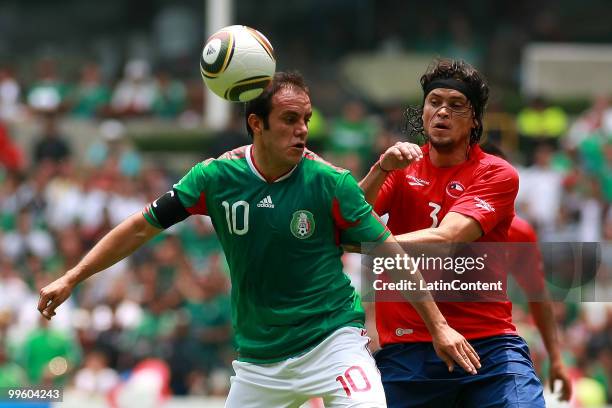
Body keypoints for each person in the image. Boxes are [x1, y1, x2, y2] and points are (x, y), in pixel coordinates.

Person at [38, 72, 478, 407]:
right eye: (289, 119)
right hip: (258, 362)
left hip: (333, 343)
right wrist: (72, 278)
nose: (302, 129)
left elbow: (392, 254)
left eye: (305, 119)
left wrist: (439, 326)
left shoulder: (329, 182)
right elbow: (140, 226)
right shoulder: (215, 178)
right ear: (256, 124)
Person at [359, 59, 547, 407]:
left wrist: (374, 245)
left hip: (488, 347)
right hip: (408, 347)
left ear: (474, 118)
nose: (442, 111)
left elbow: (448, 239)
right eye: (435, 102)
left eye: (456, 105)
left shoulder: (496, 173)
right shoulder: (399, 169)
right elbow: (349, 217)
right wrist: (380, 168)